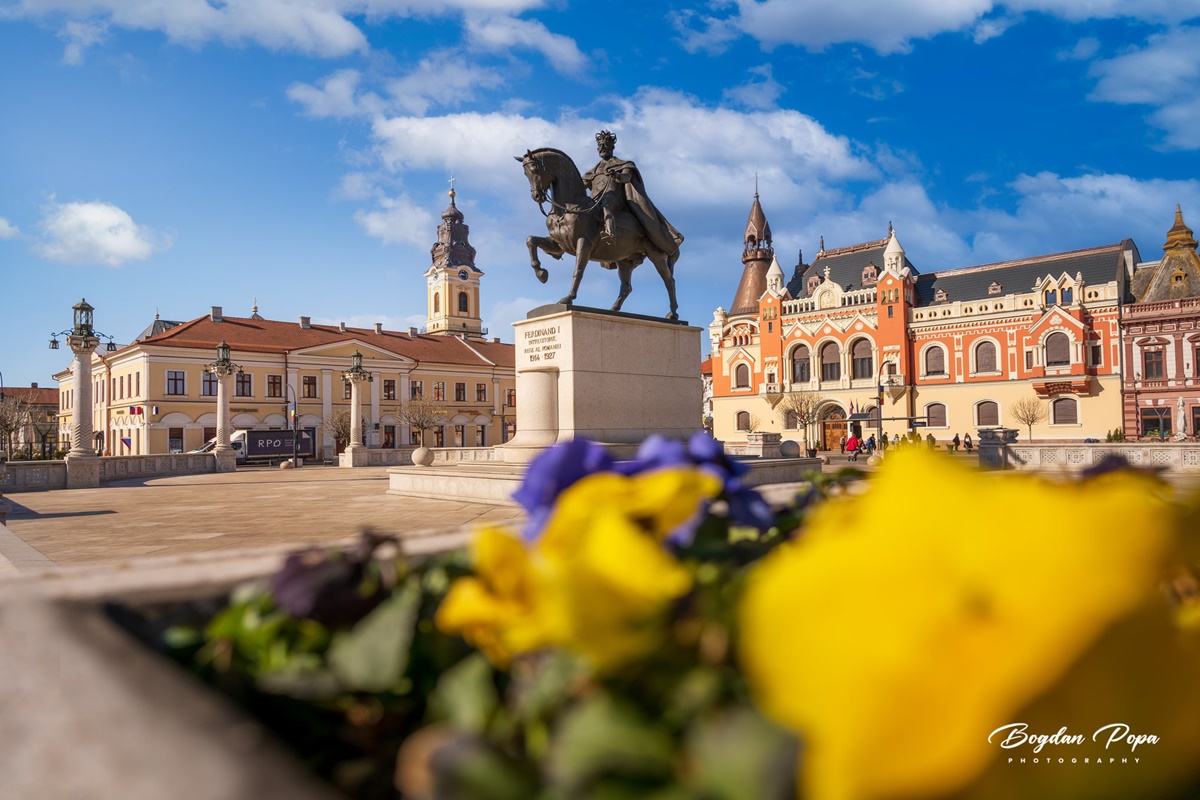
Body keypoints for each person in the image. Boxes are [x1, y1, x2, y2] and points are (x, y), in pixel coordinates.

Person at [583, 130, 683, 252]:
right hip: (594, 201)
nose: (602, 148)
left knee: (606, 205)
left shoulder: (623, 165)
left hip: (614, 200)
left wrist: (617, 176)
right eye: (600, 146)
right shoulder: (593, 172)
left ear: (612, 147)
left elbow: (627, 178)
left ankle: (610, 233)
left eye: (605, 145)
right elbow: (580, 186)